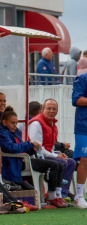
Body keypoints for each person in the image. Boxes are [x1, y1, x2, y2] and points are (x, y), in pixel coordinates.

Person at [0, 106, 67, 208]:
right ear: (4, 122)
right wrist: (30, 144)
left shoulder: (15, 132)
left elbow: (21, 147)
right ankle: (51, 197)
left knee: (59, 164)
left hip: (22, 161)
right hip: (15, 163)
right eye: (12, 123)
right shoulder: (1, 133)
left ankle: (56, 195)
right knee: (53, 165)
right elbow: (11, 148)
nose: (15, 125)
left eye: (16, 123)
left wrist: (32, 149)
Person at [28, 98, 76, 199]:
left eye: (54, 109)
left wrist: (59, 154)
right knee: (61, 162)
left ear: (57, 111)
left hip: (48, 155)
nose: (51, 111)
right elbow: (38, 149)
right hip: (35, 157)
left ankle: (63, 194)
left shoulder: (53, 124)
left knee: (71, 162)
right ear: (42, 110)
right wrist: (56, 155)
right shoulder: (36, 124)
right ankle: (55, 195)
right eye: (48, 108)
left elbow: (51, 147)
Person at [71, 72, 87, 208]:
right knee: (85, 160)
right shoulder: (82, 78)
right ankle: (79, 195)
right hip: (84, 126)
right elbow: (76, 99)